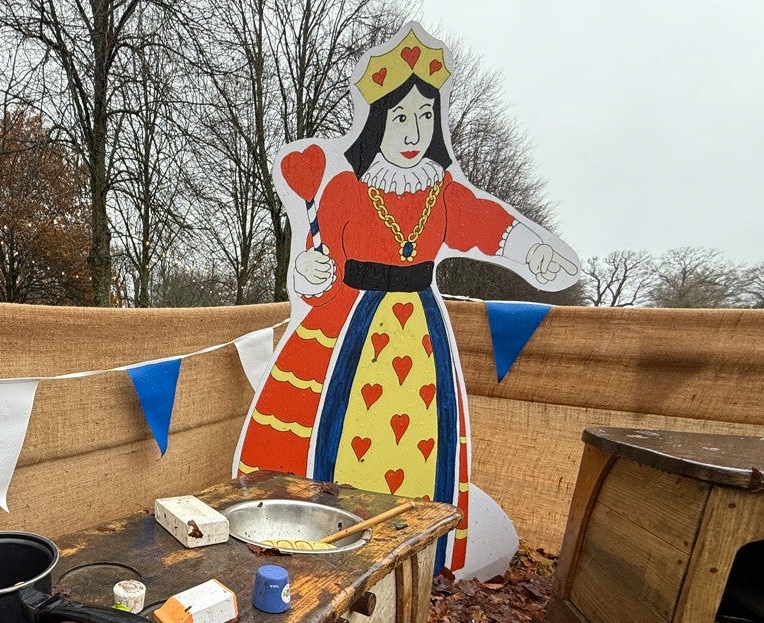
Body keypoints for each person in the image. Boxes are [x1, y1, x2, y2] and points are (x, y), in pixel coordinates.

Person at [234, 25, 577, 571]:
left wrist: (528, 248)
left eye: (424, 117)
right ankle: (326, 538)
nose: (413, 130)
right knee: (335, 428)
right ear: (378, 122)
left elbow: (484, 224)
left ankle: (412, 552)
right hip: (350, 322)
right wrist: (311, 270)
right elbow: (315, 265)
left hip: (421, 331)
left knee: (423, 435)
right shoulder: (345, 188)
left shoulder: (444, 193)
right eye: (400, 117)